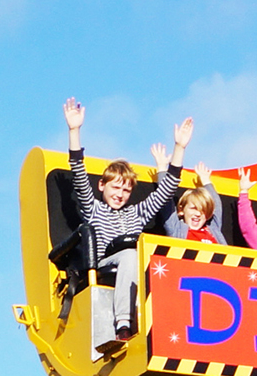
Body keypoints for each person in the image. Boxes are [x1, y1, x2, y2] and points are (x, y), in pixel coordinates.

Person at [65, 98, 193, 353]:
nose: (120, 194)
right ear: (102, 186)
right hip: (104, 262)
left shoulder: (136, 213)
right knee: (130, 254)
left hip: (131, 264)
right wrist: (74, 131)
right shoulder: (94, 208)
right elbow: (78, 172)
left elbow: (167, 189)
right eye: (115, 187)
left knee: (146, 259)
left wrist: (179, 149)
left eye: (126, 190)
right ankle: (124, 323)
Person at [156, 154, 227, 244]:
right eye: (193, 208)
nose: (198, 214)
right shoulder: (177, 229)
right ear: (181, 210)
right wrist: (162, 168)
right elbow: (165, 199)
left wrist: (206, 181)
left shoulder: (213, 229)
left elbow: (215, 204)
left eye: (203, 211)